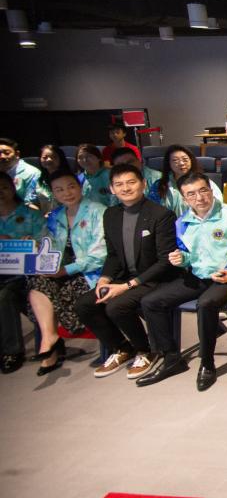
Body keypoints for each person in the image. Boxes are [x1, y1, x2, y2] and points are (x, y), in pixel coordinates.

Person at [75, 163, 179, 381]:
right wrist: (104, 279)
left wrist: (126, 286)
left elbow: (164, 262)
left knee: (117, 306)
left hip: (154, 278)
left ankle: (146, 350)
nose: (126, 188)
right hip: (124, 277)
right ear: (112, 189)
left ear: (143, 184)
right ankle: (122, 348)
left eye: (131, 182)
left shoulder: (161, 214)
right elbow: (113, 254)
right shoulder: (111, 214)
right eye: (119, 184)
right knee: (84, 304)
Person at [137, 172, 227, 388]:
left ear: (211, 190)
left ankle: (207, 364)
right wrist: (180, 259)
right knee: (150, 302)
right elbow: (186, 255)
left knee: (206, 304)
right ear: (184, 198)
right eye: (191, 194)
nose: (199, 198)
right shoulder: (182, 222)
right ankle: (171, 358)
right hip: (198, 276)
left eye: (203, 191)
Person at [25, 170, 107, 375]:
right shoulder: (55, 216)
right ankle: (49, 338)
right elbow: (49, 246)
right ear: (53, 193)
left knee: (47, 289)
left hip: (90, 273)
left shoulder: (97, 211)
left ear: (79, 187)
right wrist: (35, 245)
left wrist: (66, 270)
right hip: (62, 271)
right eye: (59, 190)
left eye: (71, 186)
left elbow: (100, 255)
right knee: (37, 283)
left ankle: (50, 346)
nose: (67, 193)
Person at [0, 172, 47, 373]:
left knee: (5, 296)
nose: (0, 193)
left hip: (27, 272)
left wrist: (31, 244)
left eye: (4, 187)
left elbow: (46, 243)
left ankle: (12, 351)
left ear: (13, 188)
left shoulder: (31, 214)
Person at [156, 144, 210, 215]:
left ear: (191, 160)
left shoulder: (203, 181)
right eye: (175, 160)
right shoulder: (160, 185)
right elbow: (152, 209)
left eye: (185, 159)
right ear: (168, 163)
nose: (181, 163)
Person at [0, 137, 41, 207]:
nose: (2, 157)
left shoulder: (31, 173)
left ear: (17, 154)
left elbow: (32, 203)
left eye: (7, 153)